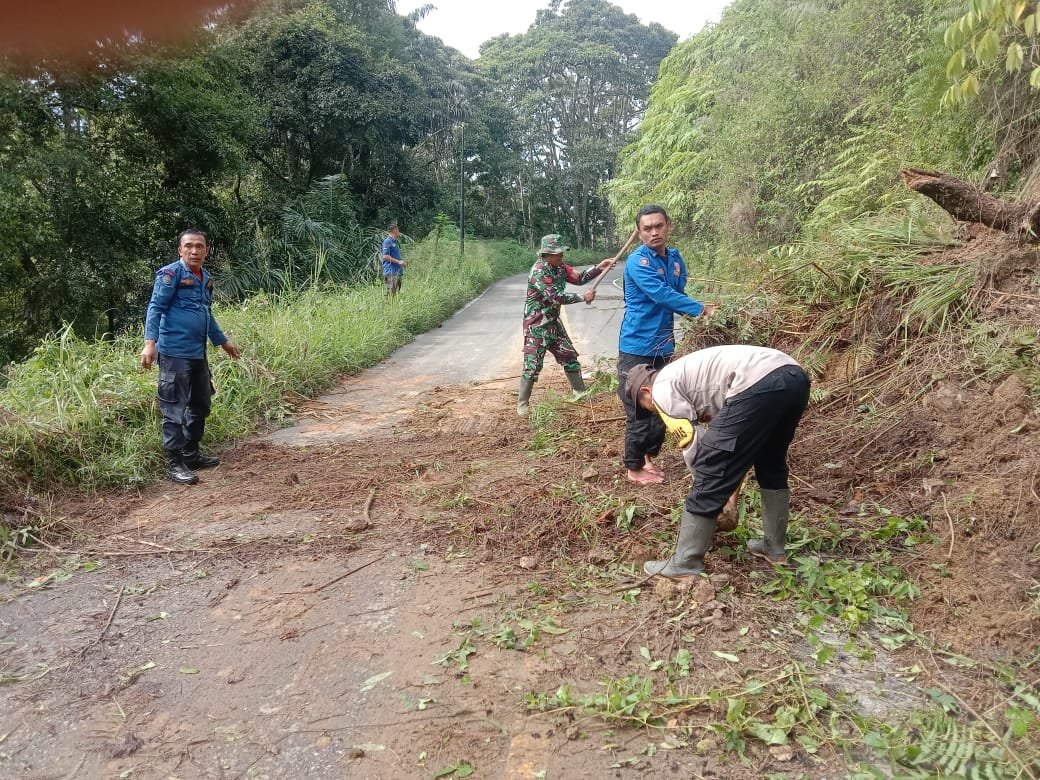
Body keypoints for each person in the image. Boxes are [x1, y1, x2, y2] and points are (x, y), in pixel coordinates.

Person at [624, 345, 811, 578]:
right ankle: (774, 549)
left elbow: (696, 448)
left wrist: (713, 495)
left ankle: (686, 561)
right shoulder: (691, 377)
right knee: (770, 461)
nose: (654, 413)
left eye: (646, 407)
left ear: (646, 391)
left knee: (710, 465)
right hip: (794, 377)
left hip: (760, 381)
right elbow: (736, 453)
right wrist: (729, 497)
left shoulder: (661, 389)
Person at [617, 205, 715, 485]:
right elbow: (661, 294)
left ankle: (648, 457)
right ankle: (634, 467)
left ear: (668, 225)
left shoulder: (675, 259)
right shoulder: (638, 262)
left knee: (662, 403)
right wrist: (701, 310)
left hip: (664, 344)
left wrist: (699, 311)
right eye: (647, 228)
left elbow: (677, 292)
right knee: (638, 407)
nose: (654, 232)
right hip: (637, 346)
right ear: (639, 233)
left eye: (658, 226)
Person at [141, 230, 241, 485]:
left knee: (201, 404)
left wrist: (223, 342)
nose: (194, 251)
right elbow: (156, 307)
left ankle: (190, 453)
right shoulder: (170, 274)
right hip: (174, 352)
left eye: (199, 246)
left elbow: (206, 313)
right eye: (189, 246)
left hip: (198, 353)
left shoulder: (205, 279)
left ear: (206, 250)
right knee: (174, 409)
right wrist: (149, 344)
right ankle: (175, 464)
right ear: (180, 250)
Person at [517, 234, 614, 416]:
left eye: (561, 252)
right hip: (536, 326)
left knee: (569, 356)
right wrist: (582, 297)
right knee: (532, 365)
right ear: (546, 254)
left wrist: (599, 268)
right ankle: (522, 404)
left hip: (553, 323)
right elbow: (555, 296)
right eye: (557, 253)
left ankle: (580, 393)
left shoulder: (560, 267)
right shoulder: (538, 271)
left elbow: (579, 278)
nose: (561, 256)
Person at [381, 222, 407, 298]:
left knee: (395, 295)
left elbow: (395, 257)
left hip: (397, 272)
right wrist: (399, 262)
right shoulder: (387, 241)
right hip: (391, 272)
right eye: (398, 230)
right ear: (394, 230)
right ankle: (387, 306)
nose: (399, 232)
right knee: (390, 295)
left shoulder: (395, 242)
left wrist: (402, 263)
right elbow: (385, 256)